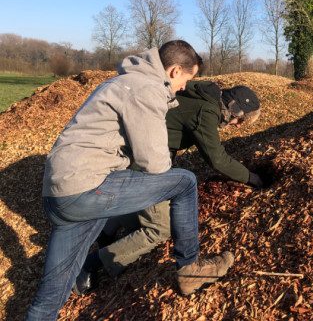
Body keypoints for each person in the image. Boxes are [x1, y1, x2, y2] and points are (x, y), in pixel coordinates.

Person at [26, 40, 235, 321]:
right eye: (188, 78)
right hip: (88, 187)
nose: (186, 87)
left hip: (59, 192)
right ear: (174, 71)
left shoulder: (123, 82)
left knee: (51, 294)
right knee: (184, 182)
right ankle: (190, 268)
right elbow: (155, 164)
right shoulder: (145, 90)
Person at [73, 80, 265, 295]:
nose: (238, 125)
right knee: (161, 228)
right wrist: (252, 179)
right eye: (240, 119)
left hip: (134, 155)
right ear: (233, 108)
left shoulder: (199, 97)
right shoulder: (206, 112)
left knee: (153, 204)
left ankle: (108, 229)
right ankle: (89, 265)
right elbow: (217, 159)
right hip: (144, 164)